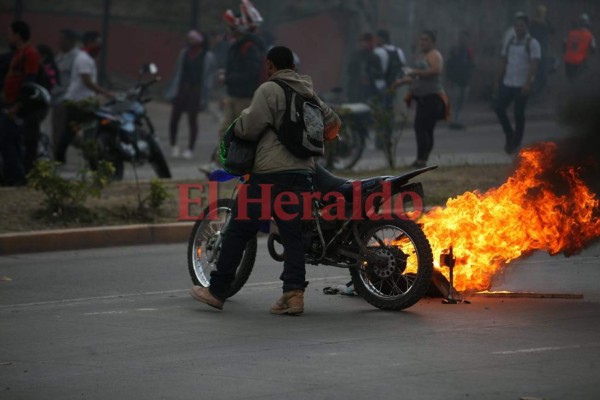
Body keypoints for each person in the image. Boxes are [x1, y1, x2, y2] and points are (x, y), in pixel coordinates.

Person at [190, 46, 341, 314]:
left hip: (270, 175)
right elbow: (333, 124)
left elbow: (249, 127)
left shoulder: (269, 90)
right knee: (293, 235)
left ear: (270, 65)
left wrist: (235, 128)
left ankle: (217, 291)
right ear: (293, 66)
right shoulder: (308, 92)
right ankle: (294, 296)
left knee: (238, 230)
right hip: (305, 175)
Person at [200, 0, 266, 173]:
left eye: (233, 26)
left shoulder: (250, 47)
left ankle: (251, 166)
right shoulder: (240, 46)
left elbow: (249, 74)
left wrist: (228, 78)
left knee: (244, 134)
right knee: (226, 131)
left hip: (245, 97)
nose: (230, 29)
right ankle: (219, 164)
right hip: (235, 95)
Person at [54, 31, 113, 164]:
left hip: (78, 100)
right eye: (97, 42)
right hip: (80, 102)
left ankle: (60, 157)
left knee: (70, 131)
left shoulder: (87, 58)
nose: (100, 46)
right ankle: (92, 160)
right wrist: (105, 92)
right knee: (89, 130)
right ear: (89, 42)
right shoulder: (83, 58)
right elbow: (87, 81)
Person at [392, 30, 448, 168]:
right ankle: (422, 159)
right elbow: (415, 77)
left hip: (433, 98)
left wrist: (414, 71)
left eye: (426, 40)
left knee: (423, 128)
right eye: (421, 39)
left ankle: (421, 160)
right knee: (422, 128)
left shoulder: (434, 55)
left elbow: (436, 70)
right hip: (423, 99)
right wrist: (401, 82)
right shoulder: (422, 57)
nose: (422, 42)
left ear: (432, 42)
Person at [0, 20, 41, 186]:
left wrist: (18, 106)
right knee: (13, 141)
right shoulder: (18, 54)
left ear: (18, 35)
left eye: (10, 33)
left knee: (4, 139)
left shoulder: (30, 54)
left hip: (18, 106)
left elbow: (29, 83)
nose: (8, 37)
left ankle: (17, 176)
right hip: (9, 104)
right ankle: (17, 177)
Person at [165, 30, 217, 160]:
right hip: (182, 89)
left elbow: (209, 78)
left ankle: (190, 148)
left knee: (192, 119)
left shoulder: (207, 56)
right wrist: (173, 90)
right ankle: (174, 145)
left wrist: (205, 97)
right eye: (190, 38)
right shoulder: (184, 53)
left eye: (194, 38)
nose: (191, 40)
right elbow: (177, 72)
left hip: (196, 91)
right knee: (174, 118)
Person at [494, 14, 541, 154]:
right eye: (516, 25)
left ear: (526, 26)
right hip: (509, 81)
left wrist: (528, 83)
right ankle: (509, 133)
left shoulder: (532, 43)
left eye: (521, 25)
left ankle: (516, 142)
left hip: (522, 83)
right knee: (499, 108)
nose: (518, 28)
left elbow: (534, 64)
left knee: (518, 113)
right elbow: (503, 61)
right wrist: (497, 81)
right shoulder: (510, 42)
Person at [373, 29, 406, 147]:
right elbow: (402, 70)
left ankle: (380, 141)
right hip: (393, 87)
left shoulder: (378, 51)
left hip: (380, 88)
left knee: (380, 114)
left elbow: (375, 72)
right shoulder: (399, 52)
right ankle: (388, 139)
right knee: (389, 113)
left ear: (382, 39)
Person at [51, 29, 80, 148]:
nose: (59, 42)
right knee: (58, 129)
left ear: (70, 41)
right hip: (56, 97)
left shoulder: (77, 57)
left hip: (66, 99)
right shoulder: (59, 55)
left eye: (62, 39)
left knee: (62, 130)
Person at [445, 30, 475, 129]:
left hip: (465, 81)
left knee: (462, 101)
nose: (463, 40)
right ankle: (453, 121)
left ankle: (458, 121)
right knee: (454, 101)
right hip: (455, 81)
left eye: (465, 38)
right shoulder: (454, 50)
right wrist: (448, 79)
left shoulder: (469, 52)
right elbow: (448, 65)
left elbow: (472, 65)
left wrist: (470, 77)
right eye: (461, 38)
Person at [346, 32, 382, 103]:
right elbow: (349, 70)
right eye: (362, 42)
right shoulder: (355, 55)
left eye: (366, 42)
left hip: (369, 89)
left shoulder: (374, 57)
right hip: (355, 87)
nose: (363, 44)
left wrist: (370, 76)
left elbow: (379, 74)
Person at [563, 13, 596, 84]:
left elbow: (564, 44)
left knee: (570, 80)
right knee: (579, 81)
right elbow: (593, 49)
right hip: (579, 62)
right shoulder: (589, 35)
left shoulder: (571, 33)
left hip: (568, 61)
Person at [529, 5, 555, 94]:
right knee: (539, 73)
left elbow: (553, 30)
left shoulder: (533, 23)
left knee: (539, 74)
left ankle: (535, 91)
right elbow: (552, 29)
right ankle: (534, 91)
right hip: (538, 52)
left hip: (540, 52)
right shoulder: (540, 24)